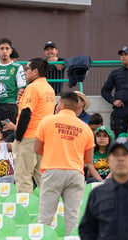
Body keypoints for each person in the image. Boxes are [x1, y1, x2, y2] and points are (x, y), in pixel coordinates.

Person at [35, 91, 98, 235]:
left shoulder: (47, 121)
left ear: (61, 105)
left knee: (45, 218)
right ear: (77, 108)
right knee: (73, 219)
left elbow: (37, 148)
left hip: (52, 170)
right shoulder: (86, 128)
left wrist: (53, 151)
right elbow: (88, 160)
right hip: (76, 173)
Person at [10, 58, 55, 193]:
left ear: (35, 71)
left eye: (27, 69)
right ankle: (52, 209)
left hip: (28, 137)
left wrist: (18, 136)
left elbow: (26, 113)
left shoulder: (33, 87)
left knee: (23, 176)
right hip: (43, 138)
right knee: (42, 177)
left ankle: (26, 211)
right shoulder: (49, 89)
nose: (24, 72)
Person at [0, 38, 26, 126]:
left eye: (7, 48)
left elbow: (21, 87)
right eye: (2, 48)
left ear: (10, 51)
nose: (4, 51)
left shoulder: (17, 67)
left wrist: (17, 103)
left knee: (9, 133)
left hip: (10, 105)